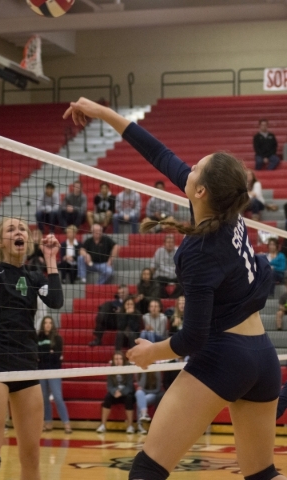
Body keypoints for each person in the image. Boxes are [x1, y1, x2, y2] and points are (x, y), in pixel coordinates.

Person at [64, 98, 285, 480]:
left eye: (196, 167)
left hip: (225, 358)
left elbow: (194, 337)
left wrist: (154, 352)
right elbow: (158, 153)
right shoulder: (226, 215)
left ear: (201, 191)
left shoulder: (201, 249)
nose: (190, 166)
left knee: (147, 471)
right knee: (261, 474)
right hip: (262, 357)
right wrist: (103, 114)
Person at [0, 218, 63, 480]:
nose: (18, 232)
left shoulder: (34, 276)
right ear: (1, 241)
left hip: (26, 363)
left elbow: (56, 301)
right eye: (11, 229)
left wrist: (50, 259)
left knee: (32, 455)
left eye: (22, 229)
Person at [38, 315, 72, 434]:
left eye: (50, 323)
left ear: (52, 325)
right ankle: (48, 422)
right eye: (45, 322)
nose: (48, 325)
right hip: (41, 371)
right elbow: (38, 356)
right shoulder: (38, 338)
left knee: (57, 397)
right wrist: (49, 353)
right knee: (44, 398)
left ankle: (66, 423)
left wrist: (45, 355)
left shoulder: (57, 338)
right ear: (42, 325)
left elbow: (57, 357)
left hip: (54, 371)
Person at [96, 351, 135, 434]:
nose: (118, 361)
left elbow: (130, 386)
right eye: (116, 359)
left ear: (123, 360)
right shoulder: (111, 369)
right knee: (107, 397)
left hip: (126, 393)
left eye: (120, 359)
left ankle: (130, 426)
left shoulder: (128, 368)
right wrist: (114, 392)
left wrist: (121, 392)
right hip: (115, 393)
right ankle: (103, 425)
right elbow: (109, 386)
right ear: (113, 360)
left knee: (129, 398)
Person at [150, 234, 183, 299]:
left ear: (174, 243)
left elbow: (183, 265)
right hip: (162, 276)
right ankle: (164, 299)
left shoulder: (178, 251)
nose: (170, 244)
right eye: (168, 242)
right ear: (164, 243)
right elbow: (153, 267)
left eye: (171, 242)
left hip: (175, 276)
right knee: (156, 284)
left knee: (183, 283)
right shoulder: (159, 251)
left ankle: (172, 299)